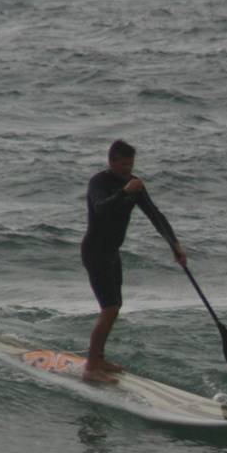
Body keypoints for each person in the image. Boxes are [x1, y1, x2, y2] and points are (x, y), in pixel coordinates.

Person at [81, 139, 186, 378]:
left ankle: (98, 358)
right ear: (111, 162)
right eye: (123, 165)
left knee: (114, 307)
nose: (128, 169)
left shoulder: (134, 184)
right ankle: (91, 367)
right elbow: (100, 209)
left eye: (131, 164)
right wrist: (124, 193)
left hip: (112, 252)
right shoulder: (99, 182)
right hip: (95, 252)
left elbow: (155, 215)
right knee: (109, 309)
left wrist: (174, 244)